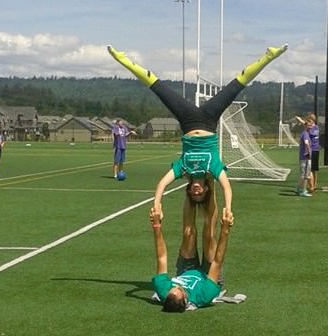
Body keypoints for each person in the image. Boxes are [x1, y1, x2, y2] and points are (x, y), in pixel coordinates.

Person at [107, 44, 287, 215]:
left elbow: (162, 184)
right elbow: (226, 187)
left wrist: (157, 205)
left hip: (188, 121)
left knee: (157, 87)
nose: (196, 192)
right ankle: (269, 56)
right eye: (200, 194)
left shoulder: (183, 169)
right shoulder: (213, 169)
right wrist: (228, 208)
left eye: (194, 195)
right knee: (237, 84)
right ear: (206, 189)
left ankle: (122, 59)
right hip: (209, 120)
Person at [149, 191, 234, 312]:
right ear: (185, 299)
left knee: (189, 233)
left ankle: (190, 188)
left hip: (185, 270)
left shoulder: (164, 291)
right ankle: (210, 184)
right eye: (179, 289)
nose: (176, 286)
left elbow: (161, 257)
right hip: (209, 276)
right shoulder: (203, 296)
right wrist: (225, 229)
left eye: (172, 288)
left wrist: (156, 224)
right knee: (208, 236)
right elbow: (217, 262)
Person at [296, 118, 313, 197]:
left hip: (303, 157)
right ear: (306, 126)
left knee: (303, 174)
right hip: (305, 158)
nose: (311, 126)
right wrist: (309, 153)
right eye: (309, 125)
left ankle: (299, 189)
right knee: (306, 175)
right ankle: (303, 190)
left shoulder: (305, 133)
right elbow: (306, 143)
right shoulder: (305, 134)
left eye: (311, 125)